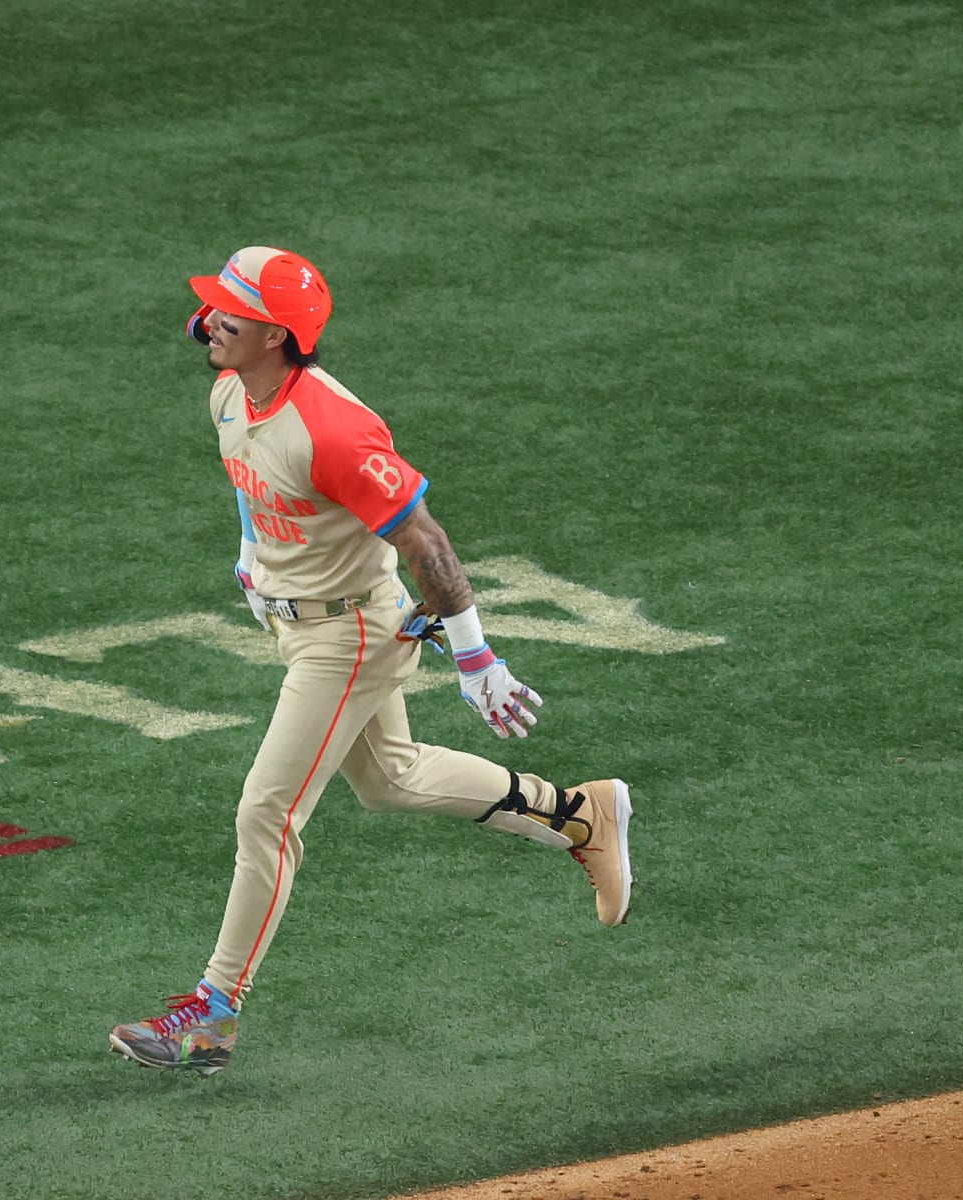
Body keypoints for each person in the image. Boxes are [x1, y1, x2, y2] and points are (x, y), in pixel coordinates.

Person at [108, 246, 632, 1078]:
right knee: (389, 778)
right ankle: (579, 815)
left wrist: (475, 658)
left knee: (266, 813)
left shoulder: (335, 428)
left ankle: (210, 1016)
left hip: (351, 636)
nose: (210, 319)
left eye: (229, 310)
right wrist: (253, 560)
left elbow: (426, 539)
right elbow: (253, 484)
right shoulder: (230, 391)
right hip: (302, 623)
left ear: (277, 334)